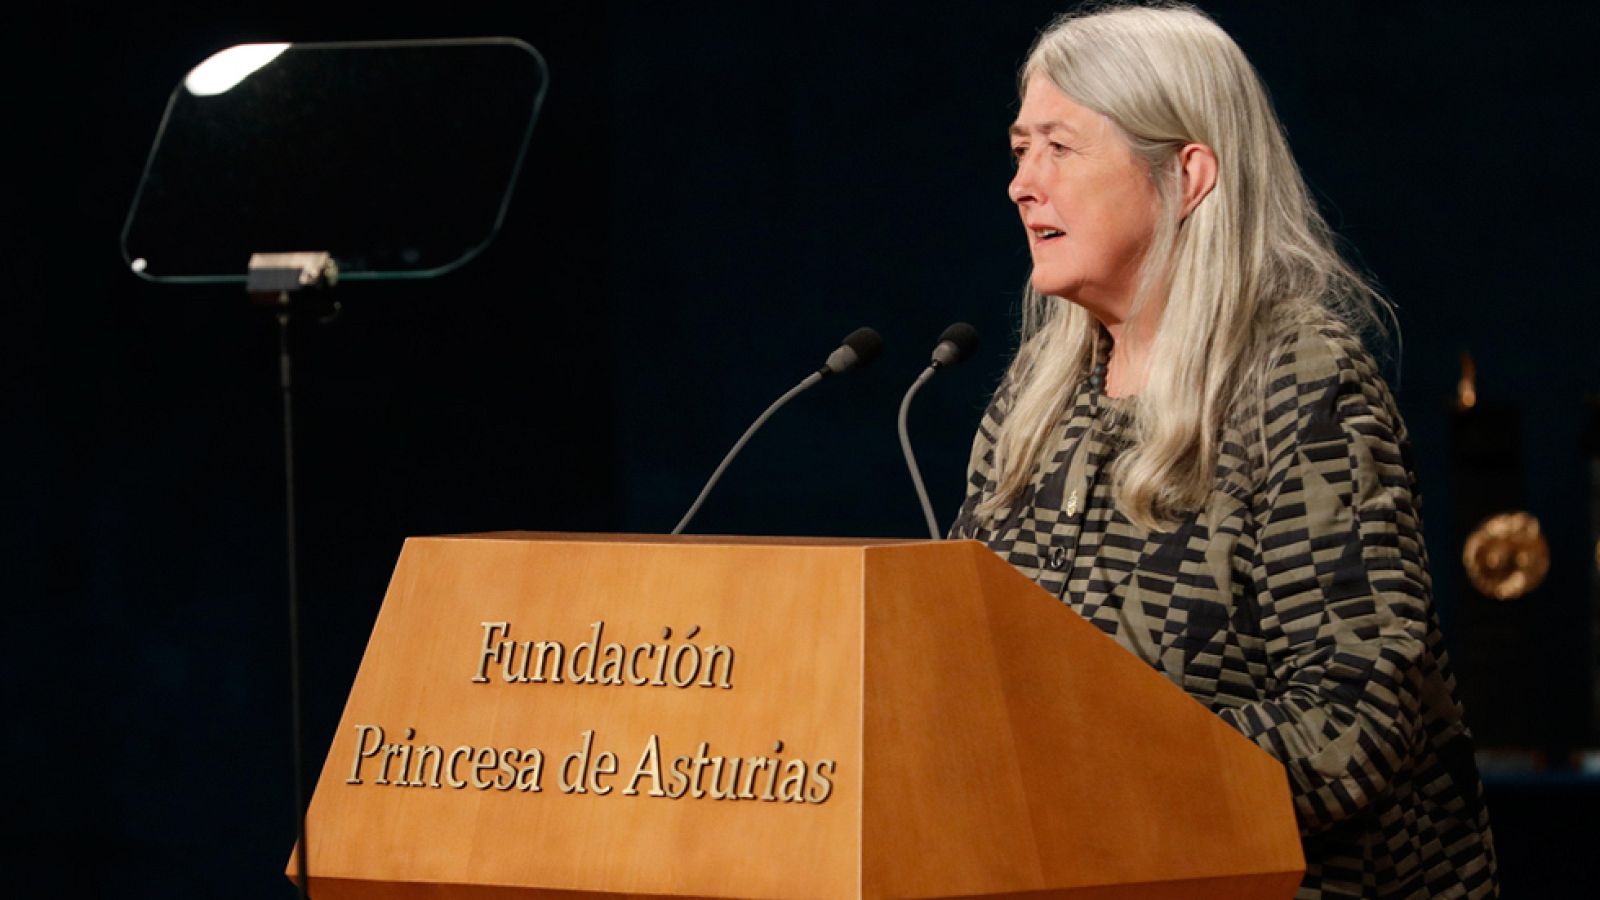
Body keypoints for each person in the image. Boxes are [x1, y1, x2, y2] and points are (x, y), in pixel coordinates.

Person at [948, 4, 1498, 898]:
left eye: (1059, 147)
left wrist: (1094, 780)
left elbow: (1351, 719)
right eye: (1019, 150)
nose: (1022, 182)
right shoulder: (1036, 397)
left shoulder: (1300, 380)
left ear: (1189, 173)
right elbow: (962, 662)